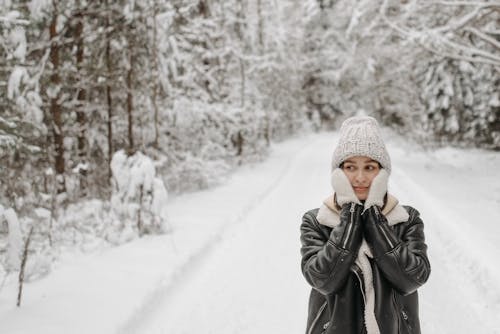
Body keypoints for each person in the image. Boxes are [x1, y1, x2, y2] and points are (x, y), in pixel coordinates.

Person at [300, 116, 431, 334]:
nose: (360, 177)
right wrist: (351, 218)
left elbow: (412, 279)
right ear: (338, 173)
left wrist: (374, 219)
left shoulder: (406, 219)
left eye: (369, 167)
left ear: (382, 172)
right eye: (350, 167)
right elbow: (322, 280)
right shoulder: (316, 221)